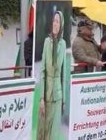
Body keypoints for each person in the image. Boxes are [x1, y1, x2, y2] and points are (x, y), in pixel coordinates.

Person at [38, 10, 67, 140]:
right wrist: (41, 98)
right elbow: (42, 71)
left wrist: (64, 100)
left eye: (58, 21)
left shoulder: (63, 43)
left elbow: (64, 73)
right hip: (47, 92)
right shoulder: (46, 42)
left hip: (58, 94)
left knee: (54, 132)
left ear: (61, 25)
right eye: (54, 21)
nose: (55, 24)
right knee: (43, 128)